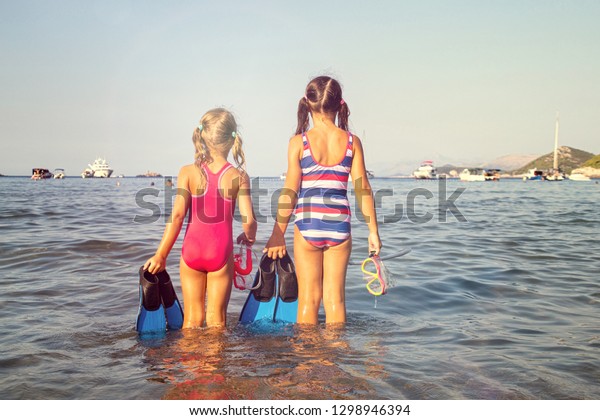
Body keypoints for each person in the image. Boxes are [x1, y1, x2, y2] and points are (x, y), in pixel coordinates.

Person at [264, 76, 381, 325]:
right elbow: (363, 189)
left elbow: (290, 191)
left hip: (307, 225)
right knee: (335, 300)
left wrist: (278, 233)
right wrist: (373, 232)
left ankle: (308, 362)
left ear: (307, 103)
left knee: (308, 299)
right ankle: (335, 358)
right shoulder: (352, 142)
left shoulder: (299, 142)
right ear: (340, 104)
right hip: (340, 225)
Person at [144, 108, 256, 328]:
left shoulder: (187, 172)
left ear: (203, 136)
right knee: (217, 322)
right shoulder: (239, 176)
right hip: (220, 252)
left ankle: (190, 363)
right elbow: (249, 220)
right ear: (232, 138)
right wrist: (249, 236)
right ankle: (215, 363)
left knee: (192, 320)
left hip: (191, 252)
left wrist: (161, 255)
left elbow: (177, 216)